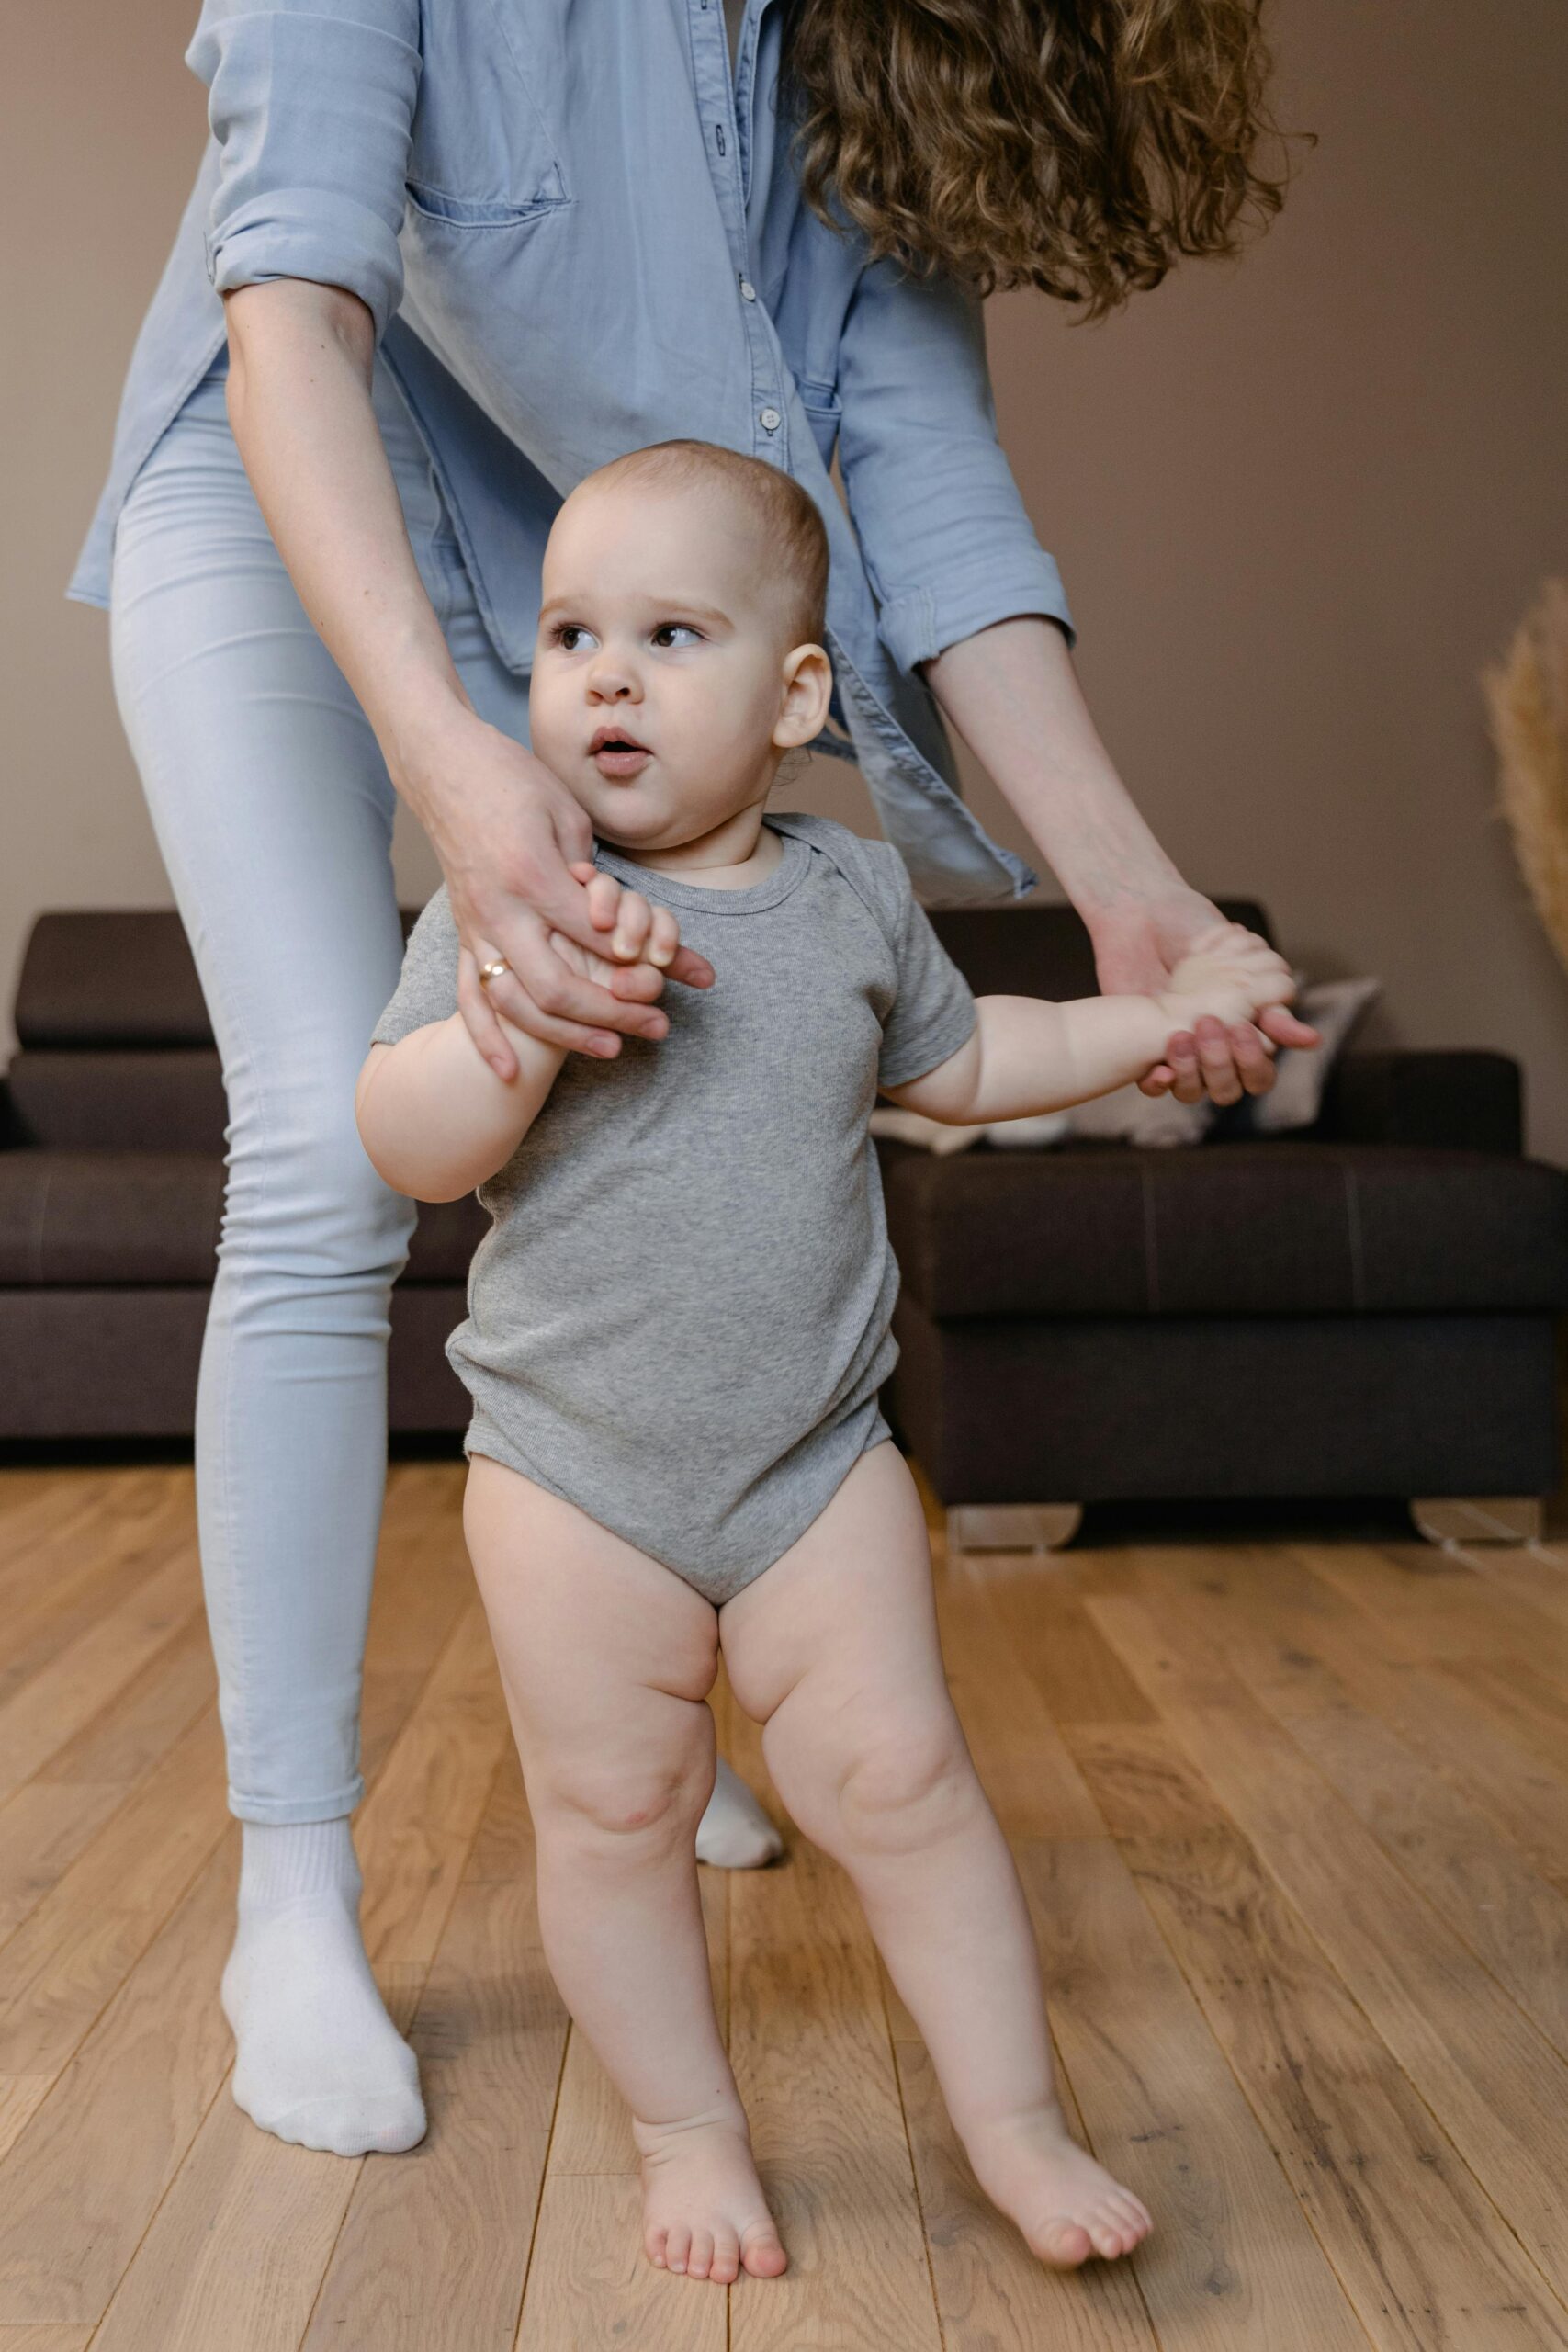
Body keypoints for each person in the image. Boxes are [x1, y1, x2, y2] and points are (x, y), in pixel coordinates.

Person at [67, 0, 1315, 2158]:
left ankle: (673, 1670)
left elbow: (925, 487)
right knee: (323, 1147)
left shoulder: (862, 39)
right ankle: (292, 1888)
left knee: (681, 1055)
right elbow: (294, 314)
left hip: (579, 555)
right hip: (288, 473)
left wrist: (1132, 897)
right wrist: (456, 764)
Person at [354, 439, 1297, 2282]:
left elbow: (966, 1062)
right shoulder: (506, 897)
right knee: (613, 1810)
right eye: (567, 633)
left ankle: (1015, 2121)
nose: (603, 675)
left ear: (795, 697)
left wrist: (1149, 1024)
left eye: (667, 631)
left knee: (899, 1778)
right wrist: (522, 1031)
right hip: (571, 1471)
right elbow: (404, 1137)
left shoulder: (850, 895)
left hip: (812, 1457)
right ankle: (685, 2128)